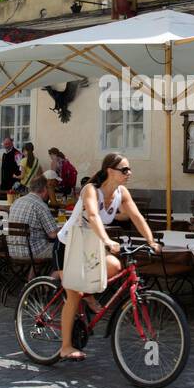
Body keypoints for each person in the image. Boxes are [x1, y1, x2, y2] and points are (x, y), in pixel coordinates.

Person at [56, 153, 160, 362]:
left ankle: (86, 292)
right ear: (110, 171)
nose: (129, 173)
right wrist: (106, 241)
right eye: (124, 170)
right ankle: (66, 346)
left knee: (114, 264)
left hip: (91, 247)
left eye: (129, 169)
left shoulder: (122, 192)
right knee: (74, 295)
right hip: (69, 245)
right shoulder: (90, 190)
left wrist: (151, 241)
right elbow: (93, 216)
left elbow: (136, 216)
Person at [7, 175, 61, 264]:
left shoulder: (17, 202)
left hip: (11, 250)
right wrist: (65, 229)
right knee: (62, 249)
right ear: (44, 189)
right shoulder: (40, 205)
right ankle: (53, 276)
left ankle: (32, 277)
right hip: (33, 252)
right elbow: (53, 234)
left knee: (38, 240)